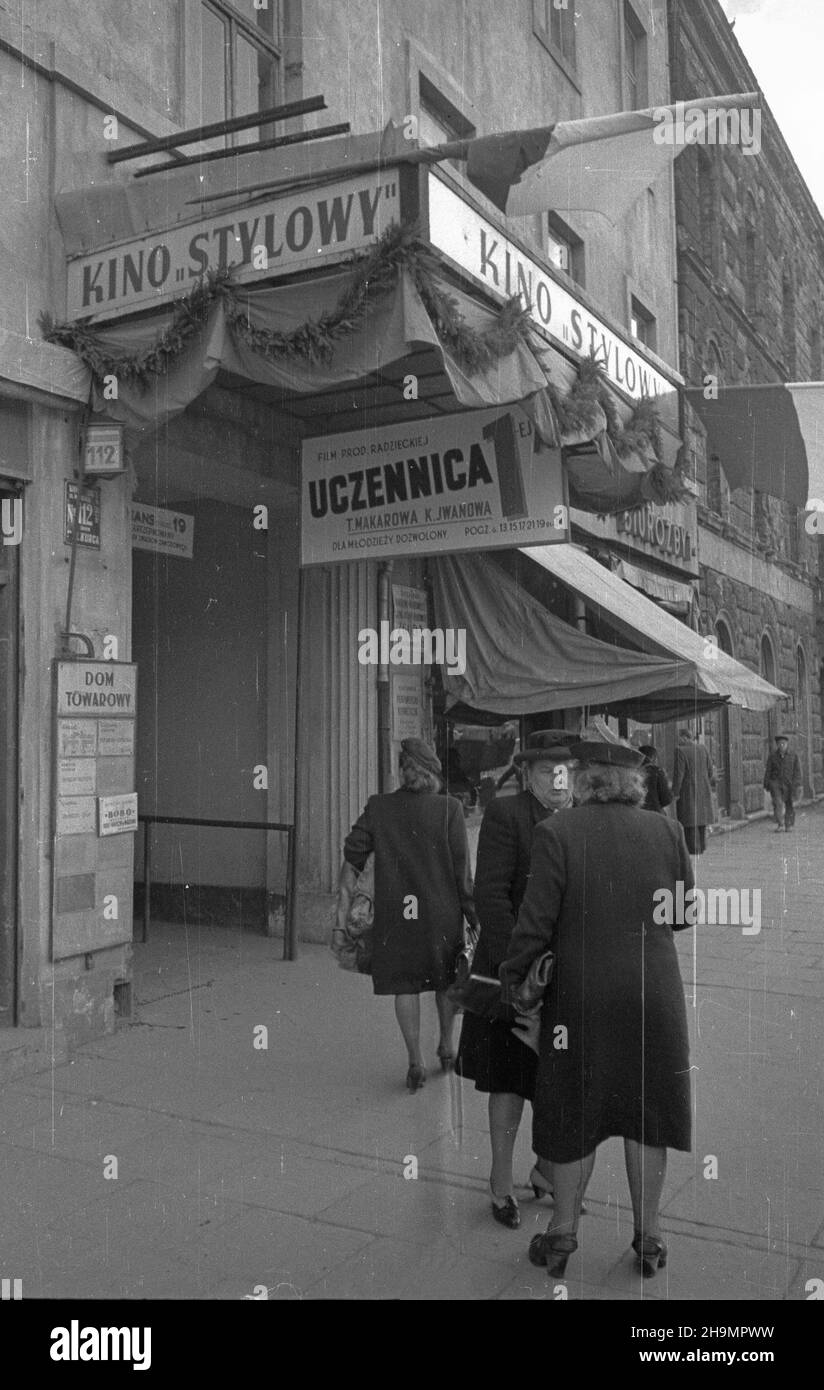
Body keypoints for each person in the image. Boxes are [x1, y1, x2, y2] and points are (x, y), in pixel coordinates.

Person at [501, 740, 694, 1280]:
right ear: (633, 781)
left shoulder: (557, 833)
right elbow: (683, 915)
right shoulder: (667, 831)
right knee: (647, 1111)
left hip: (580, 996)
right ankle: (649, 1238)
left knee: (572, 1109)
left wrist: (513, 982)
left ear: (585, 779)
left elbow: (534, 925)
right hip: (653, 996)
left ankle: (562, 1236)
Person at [456, 729, 575, 1230]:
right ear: (527, 775)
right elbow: (491, 898)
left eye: (565, 770)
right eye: (547, 770)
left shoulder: (580, 820)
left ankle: (547, 1172)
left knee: (561, 1078)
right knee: (508, 1079)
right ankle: (501, 1183)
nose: (558, 780)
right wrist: (521, 969)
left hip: (566, 973)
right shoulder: (507, 816)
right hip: (514, 973)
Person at [341, 738, 476, 1092]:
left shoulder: (380, 807)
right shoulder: (450, 809)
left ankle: (415, 1059)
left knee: (406, 984)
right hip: (441, 913)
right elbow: (463, 873)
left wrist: (376, 864)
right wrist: (474, 917)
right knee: (445, 980)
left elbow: (353, 848)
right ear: (433, 774)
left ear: (402, 771)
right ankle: (447, 1045)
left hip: (397, 912)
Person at [671, 727, 716, 857]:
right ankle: (701, 846)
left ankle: (692, 849)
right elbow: (710, 771)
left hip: (688, 791)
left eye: (679, 738)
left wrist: (675, 793)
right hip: (703, 790)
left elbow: (678, 775)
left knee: (688, 819)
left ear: (684, 737)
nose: (677, 741)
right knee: (701, 818)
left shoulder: (680, 751)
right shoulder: (703, 748)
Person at [763, 733, 802, 833]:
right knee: (778, 802)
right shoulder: (772, 756)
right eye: (780, 744)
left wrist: (797, 783)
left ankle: (788, 825)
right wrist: (767, 783)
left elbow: (797, 771)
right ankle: (781, 824)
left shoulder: (793, 756)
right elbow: (768, 770)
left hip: (789, 783)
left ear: (787, 744)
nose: (782, 745)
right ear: (777, 745)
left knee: (789, 804)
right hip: (775, 783)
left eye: (784, 743)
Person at [639, 744, 673, 814]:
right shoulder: (657, 772)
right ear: (653, 758)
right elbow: (667, 799)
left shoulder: (633, 770)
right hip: (654, 813)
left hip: (637, 814)